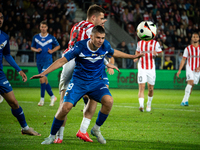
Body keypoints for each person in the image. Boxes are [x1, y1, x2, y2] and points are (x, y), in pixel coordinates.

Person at [30, 25, 143, 145]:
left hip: (96, 83)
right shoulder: (80, 46)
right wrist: (43, 73)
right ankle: (51, 136)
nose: (101, 40)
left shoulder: (105, 45)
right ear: (91, 37)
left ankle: (96, 129)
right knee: (65, 107)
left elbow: (114, 53)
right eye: (98, 37)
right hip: (79, 82)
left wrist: (133, 56)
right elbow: (62, 61)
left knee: (109, 101)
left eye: (103, 38)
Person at [54, 4, 108, 144]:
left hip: (67, 61)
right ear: (93, 17)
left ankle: (59, 136)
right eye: (101, 18)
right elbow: (97, 48)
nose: (103, 21)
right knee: (94, 96)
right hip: (80, 62)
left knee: (63, 101)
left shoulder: (76, 25)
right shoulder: (92, 30)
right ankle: (83, 130)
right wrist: (108, 62)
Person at [0, 12, 40, 136]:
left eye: (1, 17)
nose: (0, 20)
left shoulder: (4, 37)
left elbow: (7, 55)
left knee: (14, 102)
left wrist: (19, 70)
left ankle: (25, 128)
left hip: (0, 76)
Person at [31, 21, 60, 106]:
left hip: (48, 60)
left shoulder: (51, 37)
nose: (43, 28)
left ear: (47, 28)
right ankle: (52, 97)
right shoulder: (36, 37)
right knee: (44, 80)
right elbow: (32, 47)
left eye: (44, 27)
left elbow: (58, 46)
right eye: (42, 27)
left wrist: (52, 51)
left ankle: (42, 99)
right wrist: (36, 50)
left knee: (41, 78)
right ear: (40, 27)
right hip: (39, 61)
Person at [134, 39, 162, 112]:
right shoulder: (140, 43)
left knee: (151, 89)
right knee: (141, 87)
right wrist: (136, 57)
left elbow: (161, 54)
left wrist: (156, 54)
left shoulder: (155, 43)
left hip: (151, 69)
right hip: (142, 68)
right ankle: (141, 105)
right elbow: (137, 51)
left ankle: (148, 104)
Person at [177, 33, 200, 106]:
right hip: (190, 67)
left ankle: (184, 100)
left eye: (196, 37)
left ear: (198, 38)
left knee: (192, 85)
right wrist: (179, 70)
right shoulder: (188, 48)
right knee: (190, 82)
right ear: (192, 39)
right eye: (194, 37)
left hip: (198, 69)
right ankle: (185, 101)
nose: (195, 38)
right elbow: (183, 59)